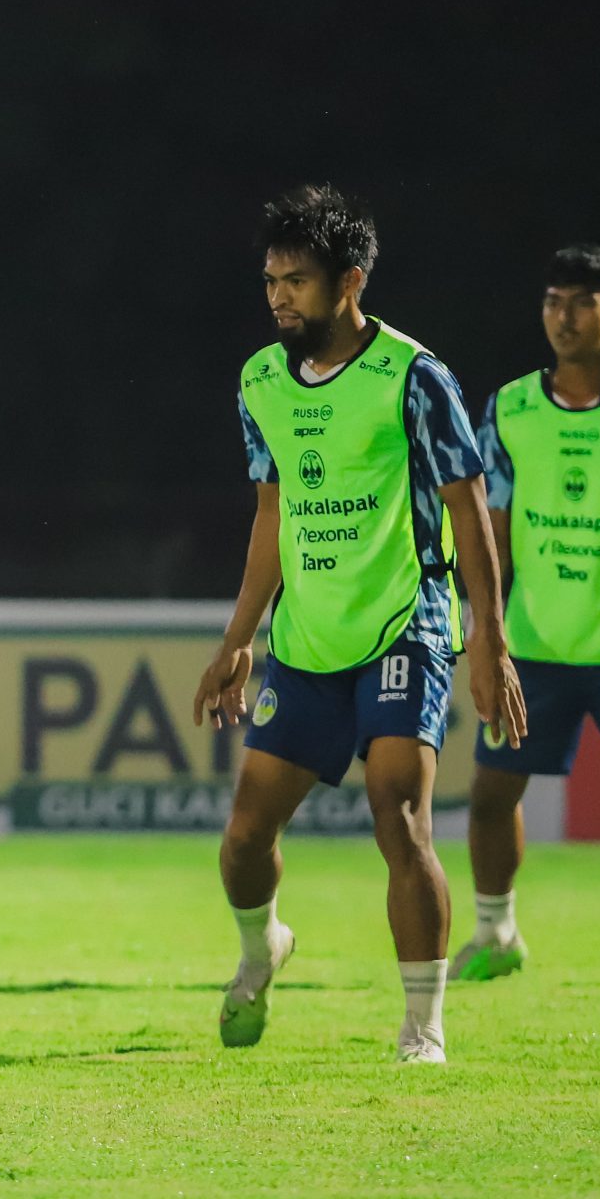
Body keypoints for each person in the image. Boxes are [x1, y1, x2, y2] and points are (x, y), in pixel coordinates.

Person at [190, 185, 524, 1064]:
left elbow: (468, 504)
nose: (278, 298)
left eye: (296, 281)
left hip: (401, 626)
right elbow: (272, 512)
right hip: (307, 641)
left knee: (398, 811)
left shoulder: (416, 377)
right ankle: (262, 946)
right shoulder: (261, 380)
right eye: (270, 281)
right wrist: (239, 636)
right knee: (243, 841)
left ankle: (423, 1025)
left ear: (352, 281)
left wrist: (490, 638)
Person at [456, 244, 600, 980]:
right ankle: (498, 934)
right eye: (553, 300)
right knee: (491, 797)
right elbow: (491, 532)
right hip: (533, 646)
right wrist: (485, 636)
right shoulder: (512, 407)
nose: (562, 316)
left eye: (580, 301)